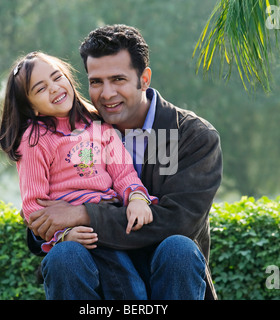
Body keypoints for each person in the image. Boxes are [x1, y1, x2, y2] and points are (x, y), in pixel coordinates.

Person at [25, 25, 223, 300]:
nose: (106, 94)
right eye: (96, 82)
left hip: (170, 276)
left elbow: (177, 222)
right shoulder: (75, 131)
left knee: (178, 247)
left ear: (144, 79)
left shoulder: (194, 136)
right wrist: (58, 229)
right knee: (65, 256)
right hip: (96, 272)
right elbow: (43, 220)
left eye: (118, 79)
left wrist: (84, 213)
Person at [0, 51, 158, 298]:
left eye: (57, 77)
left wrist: (137, 198)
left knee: (131, 291)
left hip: (108, 227)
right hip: (75, 235)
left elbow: (124, 174)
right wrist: (63, 236)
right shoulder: (34, 140)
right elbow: (34, 207)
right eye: (40, 89)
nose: (54, 88)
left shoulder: (101, 128)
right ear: (31, 107)